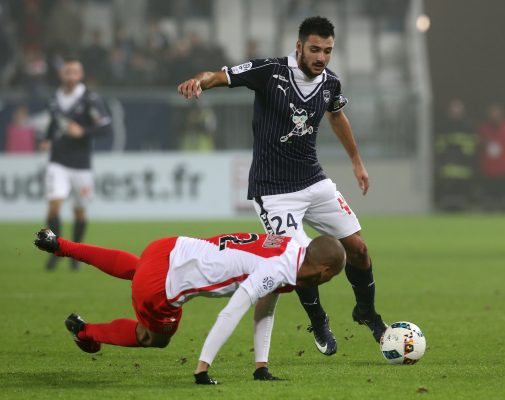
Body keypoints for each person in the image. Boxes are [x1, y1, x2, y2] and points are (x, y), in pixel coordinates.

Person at [177, 16, 386, 356]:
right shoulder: (269, 71)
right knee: (298, 261)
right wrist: (198, 82)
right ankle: (317, 318)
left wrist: (357, 161)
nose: (321, 57)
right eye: (315, 49)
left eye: (328, 51)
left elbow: (336, 116)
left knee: (359, 250)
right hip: (273, 190)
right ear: (299, 47)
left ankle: (366, 312)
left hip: (314, 180)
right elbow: (219, 75)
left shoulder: (330, 82)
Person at [33, 228, 346, 384]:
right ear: (325, 272)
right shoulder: (277, 270)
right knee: (155, 337)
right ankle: (86, 332)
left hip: (169, 248)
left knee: (137, 266)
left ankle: (59, 245)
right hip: (160, 287)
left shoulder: (291, 247)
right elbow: (232, 311)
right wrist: (202, 368)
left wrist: (261, 367)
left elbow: (266, 306)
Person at [39, 58, 112, 271]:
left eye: (74, 72)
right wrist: (47, 138)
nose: (70, 75)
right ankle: (56, 250)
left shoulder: (90, 99)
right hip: (58, 161)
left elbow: (106, 127)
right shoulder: (54, 99)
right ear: (62, 75)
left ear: (80, 75)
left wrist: (84, 132)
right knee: (54, 206)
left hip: (81, 164)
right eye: (67, 72)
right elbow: (54, 123)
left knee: (79, 211)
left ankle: (75, 254)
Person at [476, 103, 505, 210]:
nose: (494, 116)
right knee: (489, 196)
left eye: (497, 113)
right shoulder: (483, 129)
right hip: (488, 169)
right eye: (492, 113)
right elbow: (478, 145)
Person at [434, 98, 476, 211]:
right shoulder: (444, 126)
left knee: (461, 191)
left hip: (463, 166)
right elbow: (439, 145)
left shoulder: (467, 126)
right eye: (454, 110)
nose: (455, 112)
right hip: (447, 166)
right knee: (447, 191)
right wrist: (441, 161)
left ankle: (461, 208)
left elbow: (470, 146)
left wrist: (467, 160)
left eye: (458, 110)